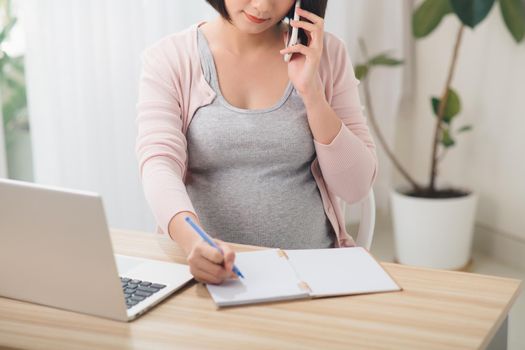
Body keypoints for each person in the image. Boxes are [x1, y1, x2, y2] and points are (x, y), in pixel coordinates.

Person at [135, 0, 377, 285]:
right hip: (209, 277)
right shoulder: (170, 58)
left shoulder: (327, 55)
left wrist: (311, 93)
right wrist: (194, 243)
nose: (262, 5)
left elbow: (356, 187)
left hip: (309, 274)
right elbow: (158, 165)